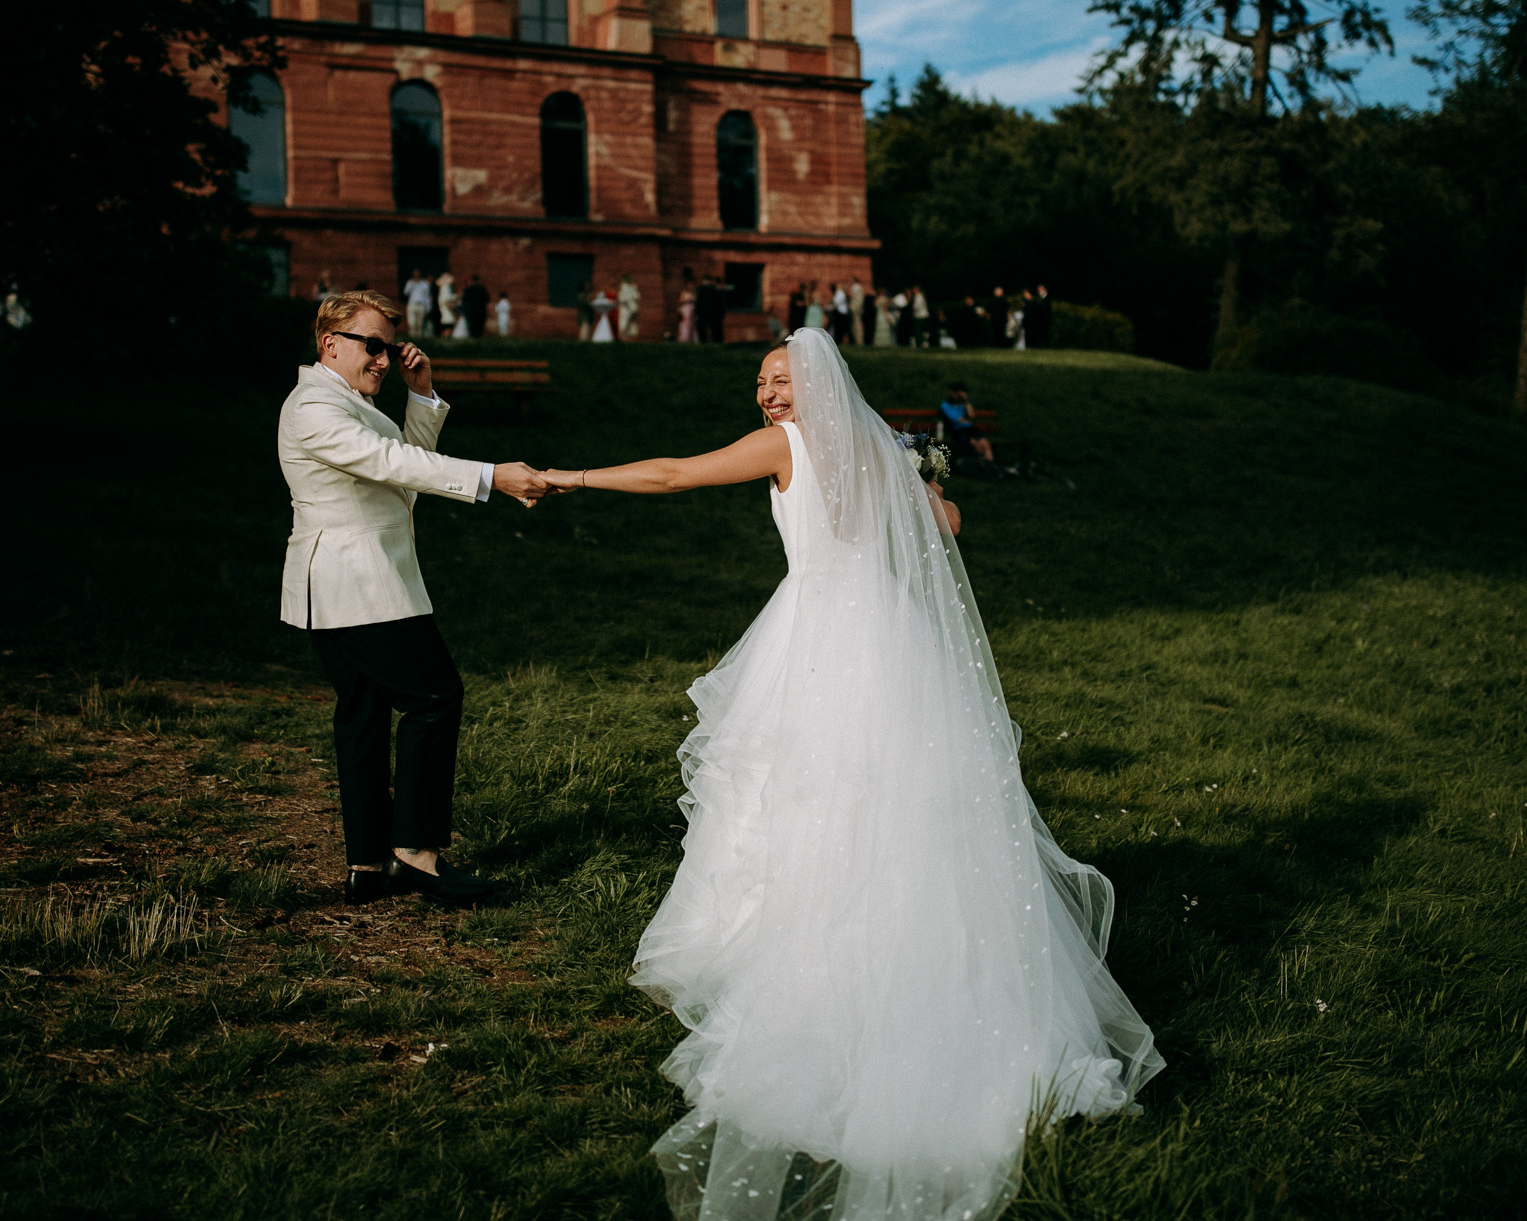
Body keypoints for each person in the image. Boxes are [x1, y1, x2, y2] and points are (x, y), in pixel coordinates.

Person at [538, 329, 1161, 1221]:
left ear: (818, 387)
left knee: (809, 804)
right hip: (895, 647)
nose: (769, 396)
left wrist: (570, 478)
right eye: (761, 384)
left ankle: (811, 984)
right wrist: (924, 483)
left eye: (783, 380)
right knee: (901, 813)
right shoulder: (876, 447)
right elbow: (949, 524)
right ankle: (933, 980)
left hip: (825, 646)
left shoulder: (787, 447)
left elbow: (676, 474)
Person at [276, 292, 554, 907]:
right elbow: (388, 461)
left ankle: (366, 865)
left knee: (365, 715)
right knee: (435, 696)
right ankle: (417, 857)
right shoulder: (314, 405)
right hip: (357, 582)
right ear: (330, 344)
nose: (382, 359)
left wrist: (421, 394)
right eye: (371, 346)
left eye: (388, 347)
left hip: (355, 583)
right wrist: (491, 476)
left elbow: (405, 464)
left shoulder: (345, 400)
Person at [939, 380, 996, 463]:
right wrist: (966, 420)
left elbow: (971, 416)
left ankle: (991, 465)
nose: (956, 394)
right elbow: (956, 419)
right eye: (955, 392)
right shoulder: (945, 405)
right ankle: (982, 465)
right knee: (976, 445)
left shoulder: (963, 405)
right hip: (958, 431)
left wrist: (966, 400)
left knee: (985, 444)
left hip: (970, 428)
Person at [695, 271, 725, 344]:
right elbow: (719, 301)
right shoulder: (714, 289)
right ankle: (715, 341)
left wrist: (697, 311)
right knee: (714, 327)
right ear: (710, 280)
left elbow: (698, 301)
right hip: (713, 311)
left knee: (702, 328)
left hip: (703, 311)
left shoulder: (700, 289)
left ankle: (703, 341)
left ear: (703, 280)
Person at [403, 269, 433, 339]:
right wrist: (413, 284)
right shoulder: (410, 282)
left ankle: (419, 339)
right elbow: (406, 292)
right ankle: (412, 338)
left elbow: (427, 296)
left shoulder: (424, 284)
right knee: (412, 323)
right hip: (412, 304)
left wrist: (429, 307)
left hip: (421, 305)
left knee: (420, 324)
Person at [461, 274, 490, 342]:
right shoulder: (482, 288)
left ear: (472, 280)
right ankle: (478, 338)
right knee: (479, 325)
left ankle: (473, 338)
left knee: (472, 326)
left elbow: (464, 300)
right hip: (481, 310)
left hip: (471, 311)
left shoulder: (468, 289)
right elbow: (487, 299)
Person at [1028, 283, 1054, 349]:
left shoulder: (1047, 298)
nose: (1038, 290)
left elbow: (1044, 308)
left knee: (1045, 335)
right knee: (1039, 335)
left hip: (1045, 320)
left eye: (1040, 289)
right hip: (1038, 320)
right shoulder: (1037, 298)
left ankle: (1047, 347)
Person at [617, 273, 641, 340]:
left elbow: (621, 298)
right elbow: (637, 297)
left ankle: (625, 340)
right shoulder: (633, 287)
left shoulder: (624, 287)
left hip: (626, 309)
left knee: (624, 327)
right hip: (633, 309)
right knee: (632, 326)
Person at [677, 266, 697, 343]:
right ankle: (684, 339)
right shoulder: (684, 293)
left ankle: (692, 339)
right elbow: (680, 301)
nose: (690, 286)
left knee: (693, 325)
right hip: (686, 310)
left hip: (692, 309)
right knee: (685, 324)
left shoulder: (695, 292)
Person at [435, 272, 459, 336]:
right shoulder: (445, 287)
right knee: (448, 324)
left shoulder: (446, 287)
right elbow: (447, 299)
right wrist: (456, 296)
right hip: (446, 309)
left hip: (446, 309)